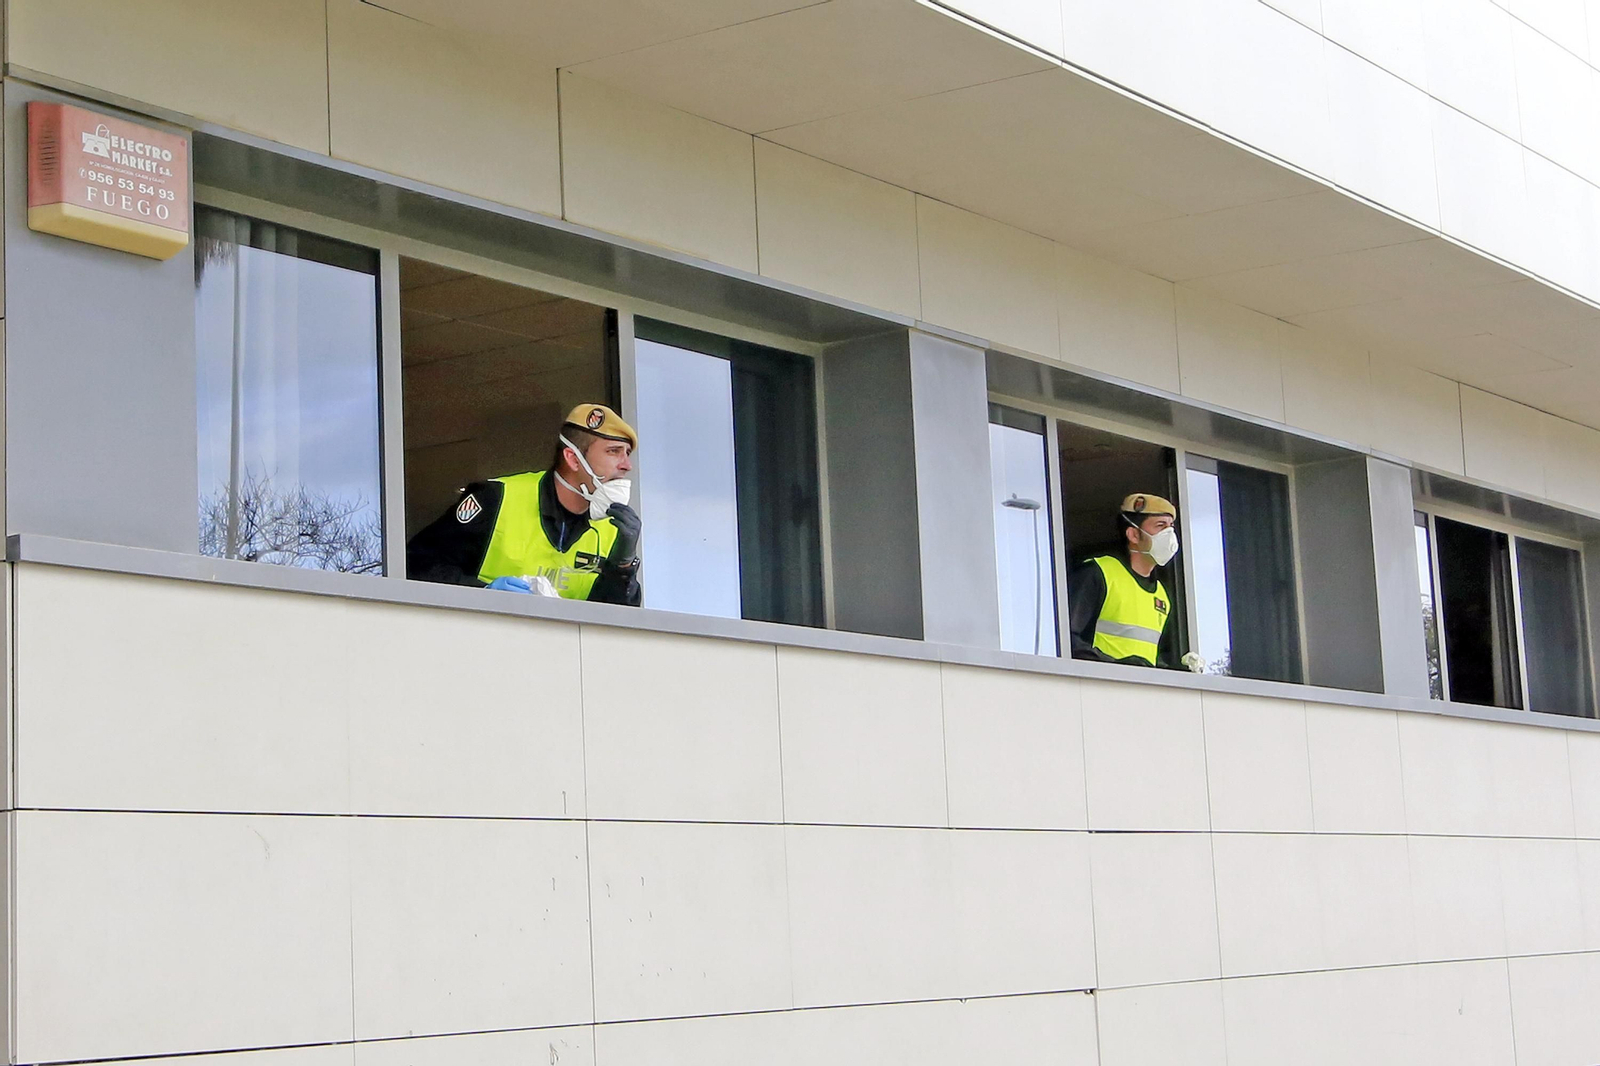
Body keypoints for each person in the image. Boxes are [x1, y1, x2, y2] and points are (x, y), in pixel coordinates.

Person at [407, 403, 642, 606]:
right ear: (573, 459)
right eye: (614, 451)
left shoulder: (613, 527)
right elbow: (416, 564)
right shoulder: (497, 498)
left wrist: (623, 567)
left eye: (627, 453)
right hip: (484, 639)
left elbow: (613, 626)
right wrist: (483, 593)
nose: (626, 465)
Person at [1067, 493, 1201, 671]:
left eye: (1171, 527)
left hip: (1139, 687)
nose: (1169, 535)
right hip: (1100, 683)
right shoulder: (1098, 574)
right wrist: (1116, 665)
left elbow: (1150, 658)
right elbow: (1066, 639)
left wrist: (1176, 671)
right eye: (1160, 526)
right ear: (1134, 535)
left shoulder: (1161, 595)